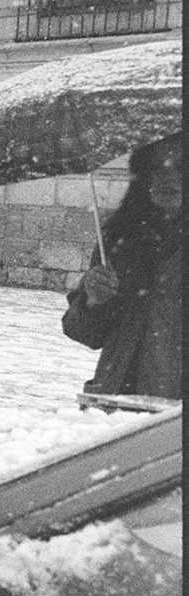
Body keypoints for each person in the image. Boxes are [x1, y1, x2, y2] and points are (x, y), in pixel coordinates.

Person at [62, 133, 181, 401]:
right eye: (156, 167)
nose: (167, 176)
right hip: (119, 403)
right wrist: (93, 302)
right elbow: (84, 332)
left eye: (180, 166)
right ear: (143, 179)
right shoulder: (118, 240)